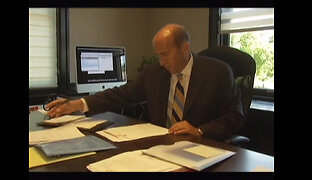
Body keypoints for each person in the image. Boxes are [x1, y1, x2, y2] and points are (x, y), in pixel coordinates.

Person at [47, 24, 244, 141]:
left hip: (201, 148)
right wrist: (78, 104)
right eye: (158, 55)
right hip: (161, 146)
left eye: (165, 54)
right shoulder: (155, 73)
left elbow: (234, 117)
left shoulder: (218, 73)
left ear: (185, 48)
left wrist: (199, 130)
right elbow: (120, 94)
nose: (161, 62)